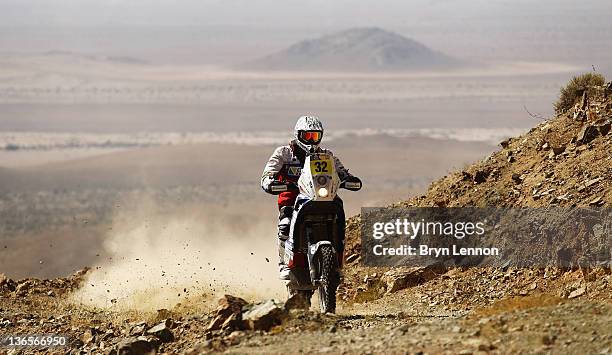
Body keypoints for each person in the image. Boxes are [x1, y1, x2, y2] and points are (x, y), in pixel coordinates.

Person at [261, 115, 354, 280]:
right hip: (292, 199)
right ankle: (283, 264)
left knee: (339, 221)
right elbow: (268, 173)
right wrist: (269, 181)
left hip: (322, 198)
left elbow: (341, 170)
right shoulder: (284, 153)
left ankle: (337, 264)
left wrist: (348, 178)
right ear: (298, 135)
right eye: (307, 136)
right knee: (285, 224)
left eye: (315, 136)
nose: (311, 140)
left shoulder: (326, 155)